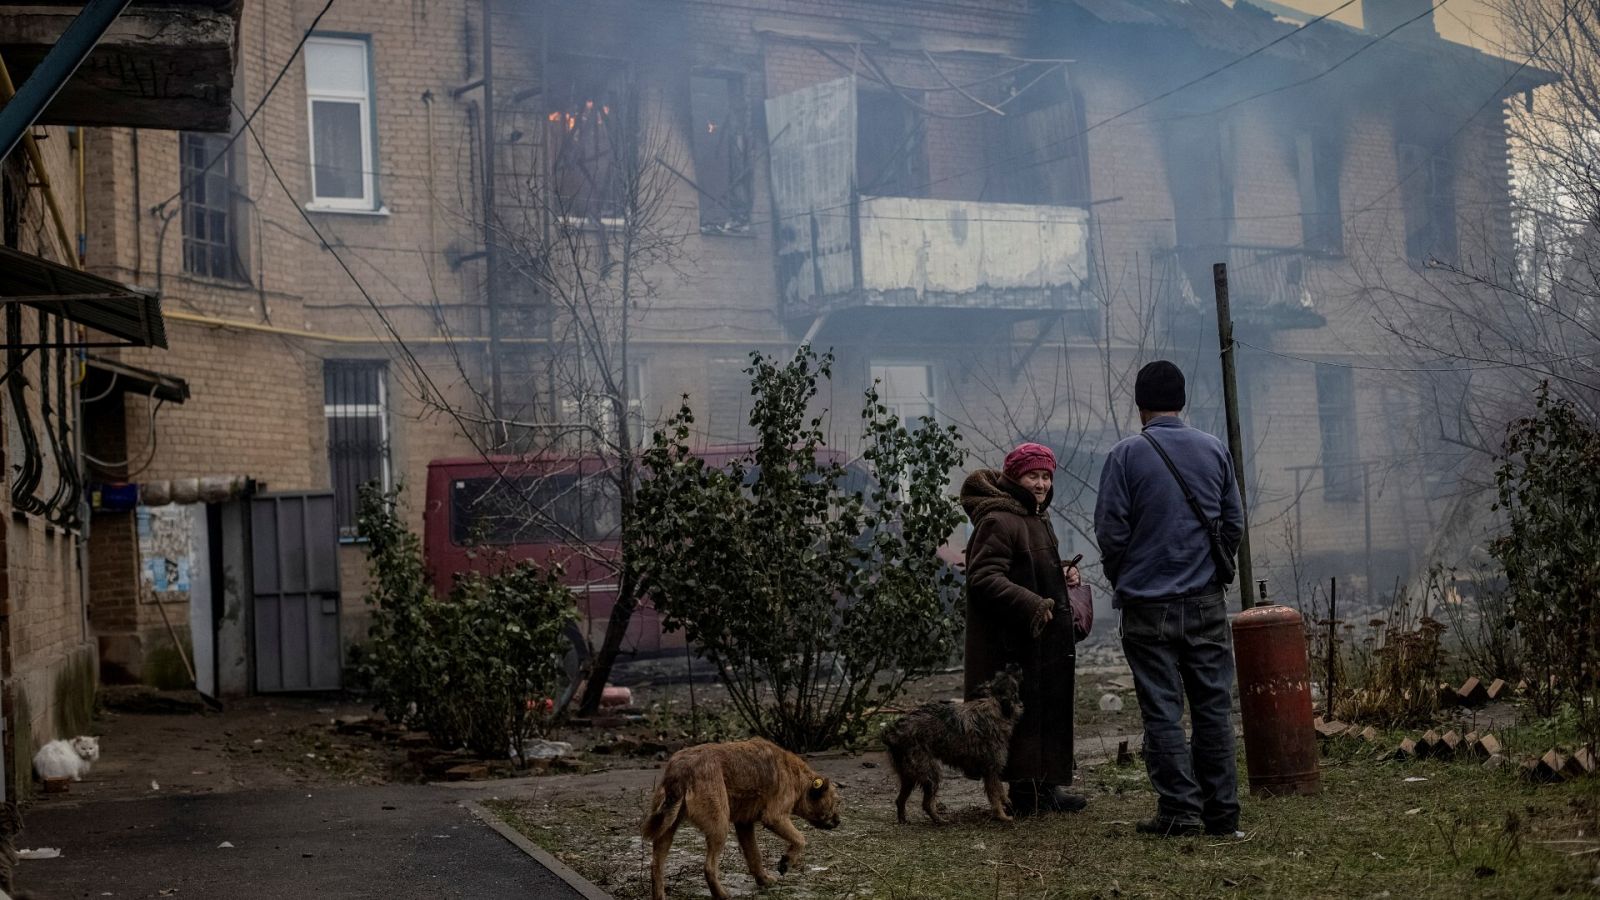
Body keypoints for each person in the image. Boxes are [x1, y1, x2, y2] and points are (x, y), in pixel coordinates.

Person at [1094, 360, 1244, 837]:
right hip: (1205, 602)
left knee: (1162, 710)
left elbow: (1111, 531)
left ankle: (1180, 812)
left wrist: (1127, 575)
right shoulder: (1214, 449)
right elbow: (1234, 523)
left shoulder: (1125, 456)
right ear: (1183, 402)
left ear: (1140, 406)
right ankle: (1222, 814)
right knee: (1213, 711)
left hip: (1146, 606)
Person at [960, 442, 1086, 816]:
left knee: (1045, 712)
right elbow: (982, 577)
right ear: (1014, 477)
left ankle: (1045, 786)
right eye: (1034, 475)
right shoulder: (998, 519)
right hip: (1012, 643)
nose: (1042, 483)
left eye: (1047, 476)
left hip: (1041, 639)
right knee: (1021, 717)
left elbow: (1027, 568)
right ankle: (1026, 793)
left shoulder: (1034, 517)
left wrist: (1063, 571)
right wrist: (1032, 603)